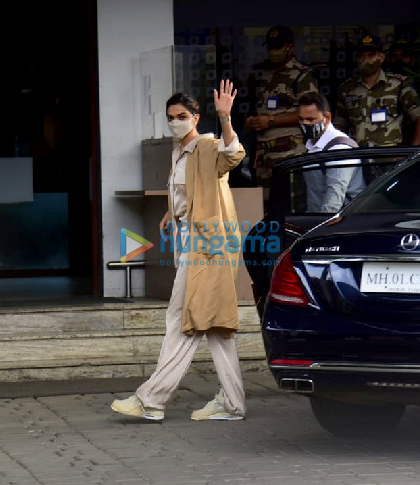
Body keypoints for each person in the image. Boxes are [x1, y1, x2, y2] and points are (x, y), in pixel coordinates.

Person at [111, 80, 247, 422]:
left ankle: (152, 400)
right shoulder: (178, 152)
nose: (175, 122)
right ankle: (233, 403)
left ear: (196, 117)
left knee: (182, 319)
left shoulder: (206, 145)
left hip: (208, 246)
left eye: (182, 115)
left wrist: (226, 117)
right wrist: (171, 212)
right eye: (171, 117)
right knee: (216, 326)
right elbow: (187, 191)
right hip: (192, 243)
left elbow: (233, 156)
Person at [247, 25, 318, 196]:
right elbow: (260, 107)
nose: (273, 52)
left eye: (277, 47)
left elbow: (311, 114)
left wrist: (271, 120)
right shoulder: (265, 75)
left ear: (289, 47)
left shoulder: (301, 75)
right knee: (265, 208)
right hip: (264, 154)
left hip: (289, 153)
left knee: (290, 206)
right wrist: (252, 121)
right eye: (271, 47)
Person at [334, 34, 420, 148]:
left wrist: (413, 151)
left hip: (389, 154)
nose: (366, 60)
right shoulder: (347, 88)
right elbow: (339, 124)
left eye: (371, 55)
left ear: (381, 57)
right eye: (362, 56)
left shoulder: (398, 85)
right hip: (357, 154)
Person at [298, 92, 365, 213]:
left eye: (310, 119)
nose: (305, 124)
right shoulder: (312, 145)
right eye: (301, 119)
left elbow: (334, 198)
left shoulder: (339, 148)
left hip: (340, 223)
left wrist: (320, 228)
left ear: (327, 118)